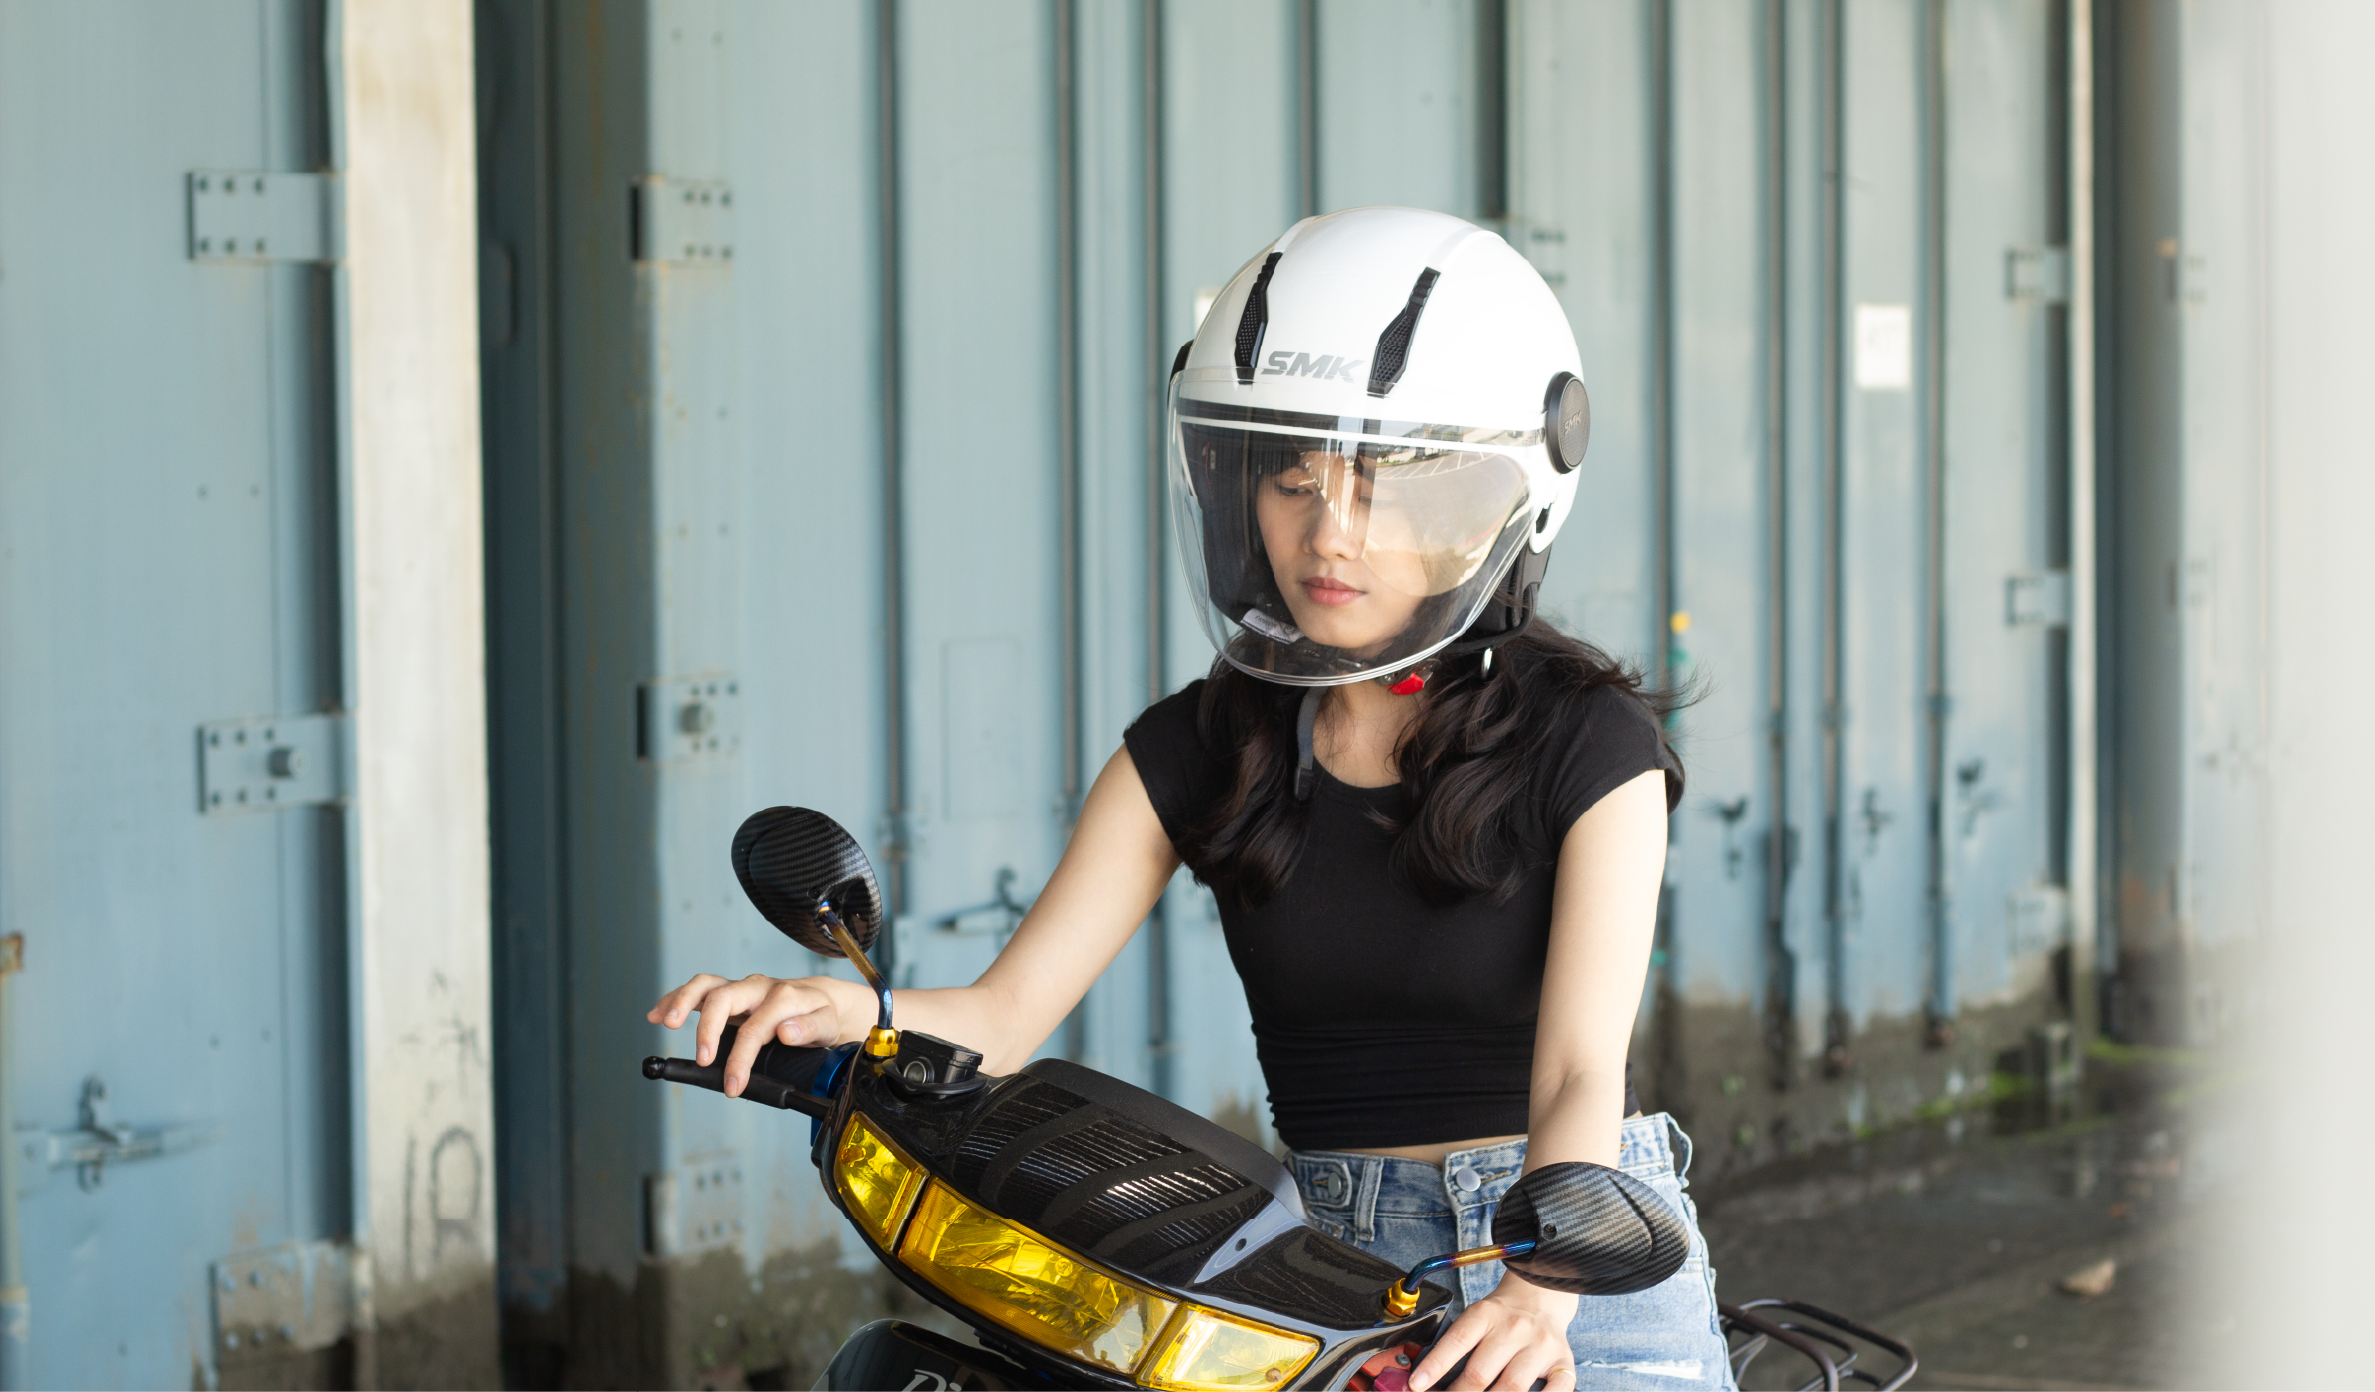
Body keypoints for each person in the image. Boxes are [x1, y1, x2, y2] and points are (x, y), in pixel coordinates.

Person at [648, 207, 1733, 1392]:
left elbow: (1578, 1072)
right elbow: (1005, 1012)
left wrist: (1537, 1291)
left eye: (1377, 484)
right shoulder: (1202, 745)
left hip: (1572, 1263)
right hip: (1320, 1274)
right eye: (1289, 478)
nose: (1327, 533)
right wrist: (836, 1005)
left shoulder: (1592, 742)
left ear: (1494, 508)